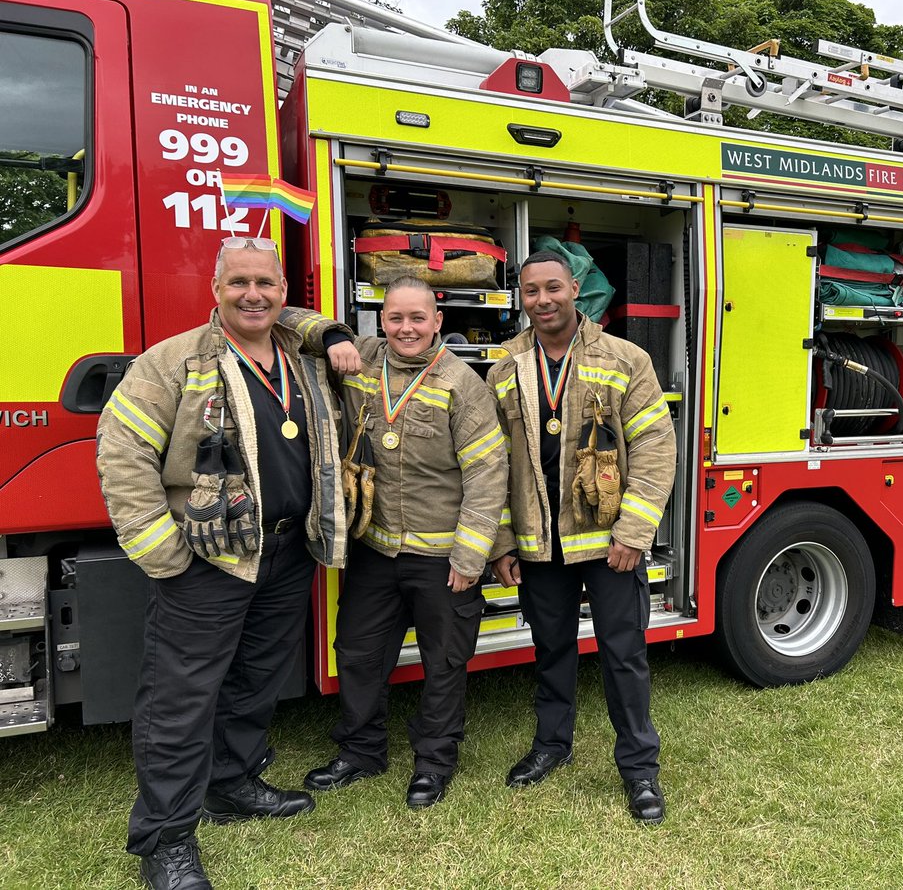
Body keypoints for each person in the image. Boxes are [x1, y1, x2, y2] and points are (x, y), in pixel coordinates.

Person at [96, 237, 359, 890]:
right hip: (208, 561)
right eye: (238, 281)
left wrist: (329, 330)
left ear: (282, 291)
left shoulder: (300, 354)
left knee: (256, 682)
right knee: (180, 703)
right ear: (215, 289)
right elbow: (121, 451)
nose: (253, 294)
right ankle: (166, 840)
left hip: (287, 551)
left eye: (266, 283)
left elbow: (308, 325)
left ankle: (233, 785)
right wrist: (163, 552)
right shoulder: (175, 361)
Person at [294, 277, 508, 809]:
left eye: (418, 318)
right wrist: (333, 333)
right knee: (360, 655)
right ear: (380, 320)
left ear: (439, 322)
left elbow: (487, 473)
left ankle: (434, 762)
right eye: (395, 318)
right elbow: (282, 319)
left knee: (444, 663)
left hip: (442, 560)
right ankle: (361, 752)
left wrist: (470, 554)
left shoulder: (463, 384)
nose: (406, 329)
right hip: (377, 552)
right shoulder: (360, 357)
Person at [487, 249, 677, 824]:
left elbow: (654, 447)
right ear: (521, 298)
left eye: (553, 288)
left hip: (608, 543)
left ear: (575, 289)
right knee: (551, 652)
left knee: (624, 656)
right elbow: (490, 464)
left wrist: (634, 531)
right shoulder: (502, 366)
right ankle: (551, 746)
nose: (542, 300)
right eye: (530, 292)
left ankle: (640, 770)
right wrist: (500, 542)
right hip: (538, 545)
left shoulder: (625, 359)